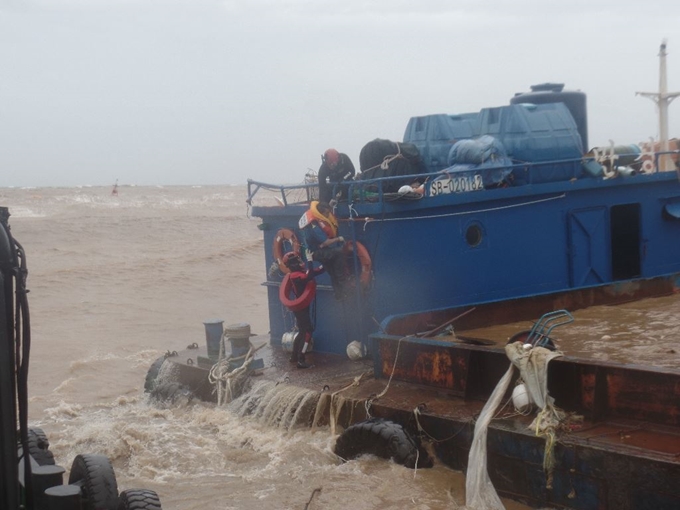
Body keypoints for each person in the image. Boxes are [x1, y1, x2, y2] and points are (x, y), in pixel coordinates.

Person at [281, 251, 325, 369]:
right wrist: (310, 261)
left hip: (301, 308)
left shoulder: (300, 273)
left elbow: (316, 271)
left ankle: (294, 357)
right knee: (308, 331)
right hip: (300, 308)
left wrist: (325, 263)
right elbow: (309, 276)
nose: (301, 262)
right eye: (298, 260)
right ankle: (301, 359)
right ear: (293, 263)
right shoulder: (295, 275)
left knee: (301, 332)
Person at [299, 200, 348, 299]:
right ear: (320, 213)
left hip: (318, 249)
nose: (328, 215)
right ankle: (343, 285)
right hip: (315, 252)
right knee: (339, 252)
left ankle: (339, 294)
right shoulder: (314, 225)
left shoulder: (315, 215)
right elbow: (326, 242)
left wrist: (329, 205)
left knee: (333, 270)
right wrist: (339, 239)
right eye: (326, 213)